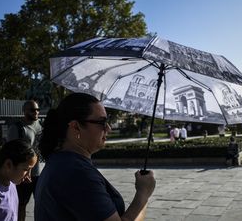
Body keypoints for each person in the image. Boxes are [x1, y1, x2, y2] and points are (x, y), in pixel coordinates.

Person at [35, 93, 156, 221]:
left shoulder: (61, 162)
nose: (108, 128)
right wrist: (143, 194)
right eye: (101, 122)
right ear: (76, 127)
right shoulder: (77, 173)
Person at [7, 100, 42, 221]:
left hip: (41, 174)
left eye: (37, 109)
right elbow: (10, 152)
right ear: (24, 111)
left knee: (42, 206)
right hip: (24, 175)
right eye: (33, 110)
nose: (36, 112)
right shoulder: (17, 128)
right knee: (21, 205)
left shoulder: (40, 125)